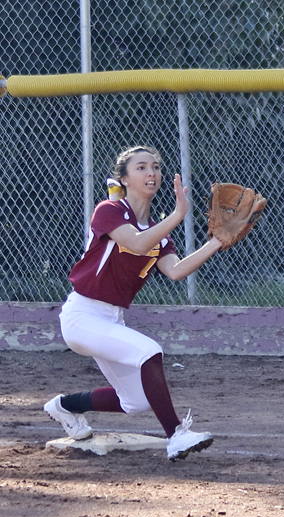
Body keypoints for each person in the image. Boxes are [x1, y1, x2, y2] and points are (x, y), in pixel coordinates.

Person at [44, 145, 222, 462]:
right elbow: (137, 242)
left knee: (137, 401)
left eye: (155, 166)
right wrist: (179, 215)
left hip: (112, 320)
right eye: (141, 167)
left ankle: (64, 406)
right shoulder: (109, 211)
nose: (151, 172)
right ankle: (177, 435)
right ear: (124, 178)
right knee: (149, 351)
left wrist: (215, 243)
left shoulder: (160, 234)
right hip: (82, 316)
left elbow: (176, 271)